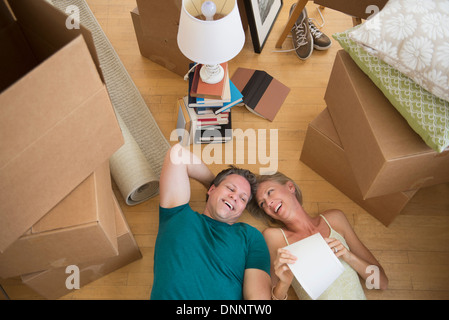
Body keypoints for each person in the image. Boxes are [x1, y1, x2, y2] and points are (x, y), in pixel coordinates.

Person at [150, 144, 271, 300]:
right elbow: (177, 154)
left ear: (242, 210)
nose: (235, 197)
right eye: (230, 188)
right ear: (212, 189)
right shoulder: (178, 213)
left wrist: (221, 191)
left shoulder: (250, 237)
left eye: (243, 198)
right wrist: (211, 183)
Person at [247, 172, 388, 300]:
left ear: (290, 187)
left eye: (270, 192)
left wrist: (348, 256)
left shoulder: (334, 220)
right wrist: (285, 283)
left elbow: (381, 282)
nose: (268, 203)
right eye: (262, 203)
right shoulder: (274, 237)